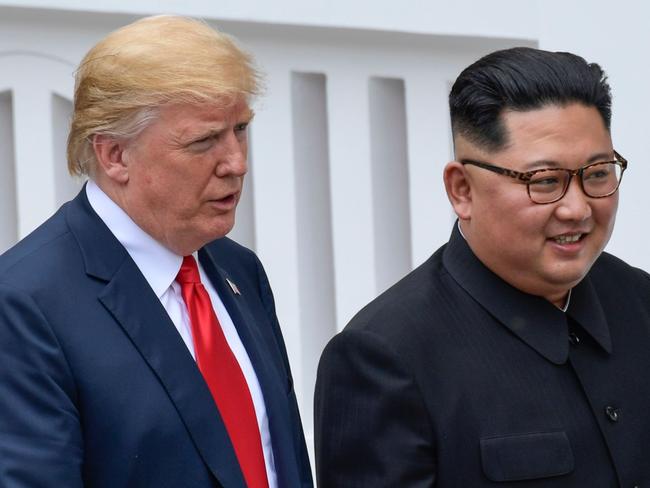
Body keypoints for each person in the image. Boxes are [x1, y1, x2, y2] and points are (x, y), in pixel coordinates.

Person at [0, 15, 312, 488]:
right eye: (204, 141)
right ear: (115, 155)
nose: (237, 163)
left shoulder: (238, 270)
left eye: (240, 130)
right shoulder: (24, 304)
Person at [315, 47, 650, 487]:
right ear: (462, 190)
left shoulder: (640, 301)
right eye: (545, 181)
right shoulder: (384, 359)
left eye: (598, 173)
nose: (577, 208)